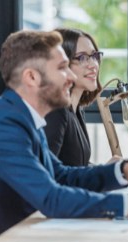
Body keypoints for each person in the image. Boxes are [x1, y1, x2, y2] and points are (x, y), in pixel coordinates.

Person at [0, 30, 128, 235]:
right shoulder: (6, 125)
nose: (71, 76)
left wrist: (121, 170)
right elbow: (51, 198)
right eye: (62, 68)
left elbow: (62, 175)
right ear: (32, 77)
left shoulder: (24, 118)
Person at [44, 28, 103, 166]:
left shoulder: (75, 109)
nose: (93, 65)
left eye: (94, 56)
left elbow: (77, 164)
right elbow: (49, 173)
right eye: (82, 58)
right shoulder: (56, 112)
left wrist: (109, 170)